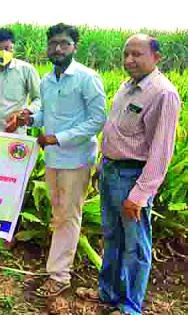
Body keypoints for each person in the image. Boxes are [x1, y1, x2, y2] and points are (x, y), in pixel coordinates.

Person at [7, 23, 106, 297]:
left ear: (75, 46)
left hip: (76, 159)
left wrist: (58, 138)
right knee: (58, 214)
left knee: (68, 216)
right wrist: (30, 118)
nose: (58, 48)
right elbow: (45, 116)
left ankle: (59, 276)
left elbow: (97, 119)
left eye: (64, 43)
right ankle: (56, 266)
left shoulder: (87, 78)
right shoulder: (47, 80)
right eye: (53, 44)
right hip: (53, 158)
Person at [98, 34, 181, 315]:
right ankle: (108, 294)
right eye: (125, 54)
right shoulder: (127, 87)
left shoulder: (163, 93)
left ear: (156, 58)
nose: (129, 60)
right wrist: (101, 167)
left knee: (135, 246)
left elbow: (161, 151)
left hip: (132, 177)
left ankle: (130, 307)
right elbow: (114, 132)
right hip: (111, 171)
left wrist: (140, 194)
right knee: (111, 237)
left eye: (137, 54)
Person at [0, 28, 41, 134]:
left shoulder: (26, 70)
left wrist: (25, 112)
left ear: (13, 48)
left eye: (7, 48)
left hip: (14, 132)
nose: (3, 53)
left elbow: (39, 99)